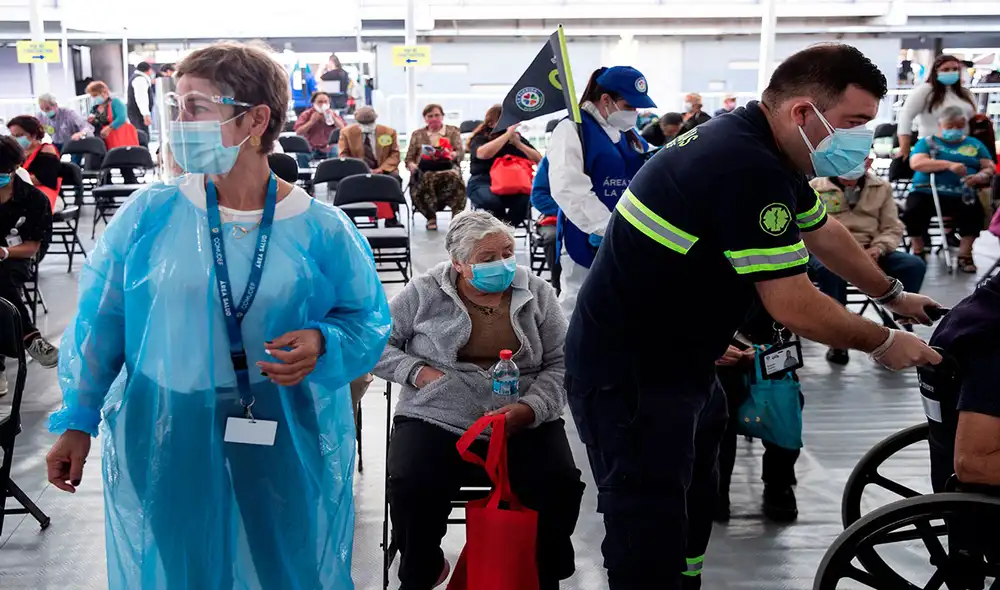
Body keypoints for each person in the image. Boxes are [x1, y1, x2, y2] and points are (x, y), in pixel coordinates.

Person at [564, 44, 943, 590]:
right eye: (854, 122)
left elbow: (824, 232)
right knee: (647, 524)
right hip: (632, 374)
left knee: (691, 503)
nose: (863, 137)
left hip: (686, 356)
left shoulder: (764, 148)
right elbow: (792, 303)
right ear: (802, 113)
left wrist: (892, 294)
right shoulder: (743, 164)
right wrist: (882, 342)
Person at [45, 41, 391, 590]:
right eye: (177, 108)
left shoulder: (321, 229)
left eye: (198, 108)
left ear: (255, 119)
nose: (181, 123)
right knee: (183, 563)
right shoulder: (150, 216)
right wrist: (79, 419)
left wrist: (324, 342)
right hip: (165, 418)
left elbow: (367, 318)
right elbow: (102, 321)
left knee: (286, 558)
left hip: (275, 415)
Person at [373, 210, 584, 590]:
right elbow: (375, 344)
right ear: (458, 263)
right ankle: (422, 569)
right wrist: (420, 373)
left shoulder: (536, 292)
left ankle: (542, 572)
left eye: (506, 252)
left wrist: (532, 408)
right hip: (438, 412)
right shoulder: (423, 292)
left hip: (519, 414)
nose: (502, 264)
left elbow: (562, 360)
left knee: (560, 483)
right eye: (487, 259)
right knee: (409, 482)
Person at [547, 66, 654, 313]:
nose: (634, 113)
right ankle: (570, 353)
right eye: (629, 106)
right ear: (606, 99)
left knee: (622, 304)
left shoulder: (627, 133)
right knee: (580, 304)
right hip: (586, 232)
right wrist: (604, 227)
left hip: (626, 232)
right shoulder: (573, 129)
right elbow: (568, 187)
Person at [809, 159, 927, 364]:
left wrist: (879, 248)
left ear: (868, 162)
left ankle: (896, 321)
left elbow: (892, 227)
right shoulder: (815, 187)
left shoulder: (881, 187)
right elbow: (806, 229)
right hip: (827, 250)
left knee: (913, 265)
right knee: (828, 270)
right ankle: (837, 336)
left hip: (871, 248)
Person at [715, 313, 802, 523]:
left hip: (773, 344)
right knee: (717, 422)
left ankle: (778, 483)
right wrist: (704, 346)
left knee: (786, 414)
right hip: (715, 346)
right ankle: (716, 490)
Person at [905, 105, 994, 273]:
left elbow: (988, 167)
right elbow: (916, 163)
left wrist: (980, 176)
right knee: (913, 210)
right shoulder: (928, 143)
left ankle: (965, 254)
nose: (954, 130)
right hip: (927, 191)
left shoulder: (974, 144)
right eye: (949, 126)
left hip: (963, 192)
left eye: (959, 126)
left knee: (974, 213)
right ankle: (918, 249)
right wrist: (948, 165)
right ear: (940, 126)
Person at [0, 135, 59, 376]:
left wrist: (4, 252)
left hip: (17, 257)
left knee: (1, 277)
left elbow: (32, 247)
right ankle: (30, 337)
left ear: (14, 169)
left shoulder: (34, 199)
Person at [466, 104, 542, 225]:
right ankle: (500, 230)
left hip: (514, 181)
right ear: (491, 124)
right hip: (483, 181)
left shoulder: (516, 139)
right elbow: (483, 154)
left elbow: (539, 159)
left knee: (526, 200)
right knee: (492, 201)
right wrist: (506, 135)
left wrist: (518, 144)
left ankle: (506, 229)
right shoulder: (480, 138)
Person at [896, 54, 977, 161]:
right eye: (946, 69)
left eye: (955, 69)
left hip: (963, 147)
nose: (951, 72)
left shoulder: (966, 94)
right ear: (935, 71)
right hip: (931, 148)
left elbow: (973, 118)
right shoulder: (924, 91)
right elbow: (906, 118)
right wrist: (904, 148)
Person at [405, 103, 466, 230]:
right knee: (426, 178)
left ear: (442, 116)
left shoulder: (452, 131)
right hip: (424, 169)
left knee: (453, 177)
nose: (434, 118)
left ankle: (456, 218)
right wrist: (413, 167)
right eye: (430, 116)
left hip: (447, 167)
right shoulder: (418, 134)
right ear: (425, 118)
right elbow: (409, 159)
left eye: (437, 115)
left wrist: (451, 154)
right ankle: (430, 217)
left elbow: (460, 152)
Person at [338, 105, 402, 225]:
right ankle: (351, 218)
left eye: (370, 122)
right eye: (363, 123)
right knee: (346, 183)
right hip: (357, 171)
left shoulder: (389, 132)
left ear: (375, 119)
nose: (367, 125)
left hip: (384, 170)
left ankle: (392, 218)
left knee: (394, 180)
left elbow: (395, 154)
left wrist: (381, 169)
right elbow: (343, 155)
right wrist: (361, 169)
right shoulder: (347, 133)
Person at [6, 115, 61, 211]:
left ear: (34, 134)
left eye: (19, 135)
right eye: (12, 136)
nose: (15, 139)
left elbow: (45, 179)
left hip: (45, 195)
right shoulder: (16, 152)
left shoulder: (47, 150)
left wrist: (14, 180)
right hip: (23, 193)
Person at [293, 91, 344, 162]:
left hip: (328, 147)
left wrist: (334, 119)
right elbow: (298, 132)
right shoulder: (306, 114)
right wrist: (311, 122)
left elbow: (343, 129)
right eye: (320, 102)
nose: (323, 104)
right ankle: (305, 173)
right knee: (301, 155)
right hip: (311, 147)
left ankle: (333, 172)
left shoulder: (332, 114)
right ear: (314, 103)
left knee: (336, 151)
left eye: (325, 102)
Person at [128, 62, 155, 137]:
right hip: (138, 114)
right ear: (148, 70)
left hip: (138, 113)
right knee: (141, 136)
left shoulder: (138, 78)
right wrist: (145, 114)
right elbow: (141, 98)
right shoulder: (140, 79)